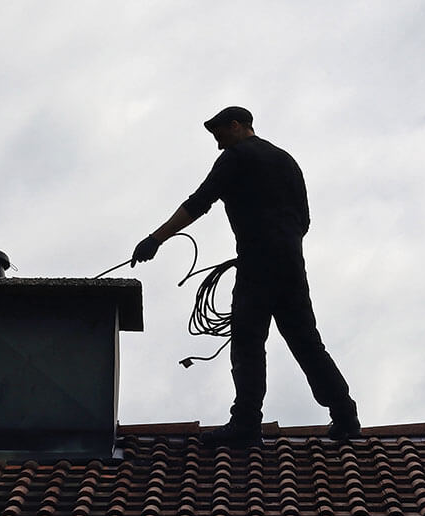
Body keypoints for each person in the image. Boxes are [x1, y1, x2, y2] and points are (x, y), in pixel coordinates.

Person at [134, 106, 359, 448]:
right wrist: (281, 244)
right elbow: (304, 220)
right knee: (306, 342)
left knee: (247, 341)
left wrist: (156, 239)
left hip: (257, 264)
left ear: (236, 126)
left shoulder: (236, 157)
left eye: (220, 135)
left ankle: (245, 424)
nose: (218, 144)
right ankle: (345, 415)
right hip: (292, 264)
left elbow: (199, 202)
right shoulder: (287, 161)